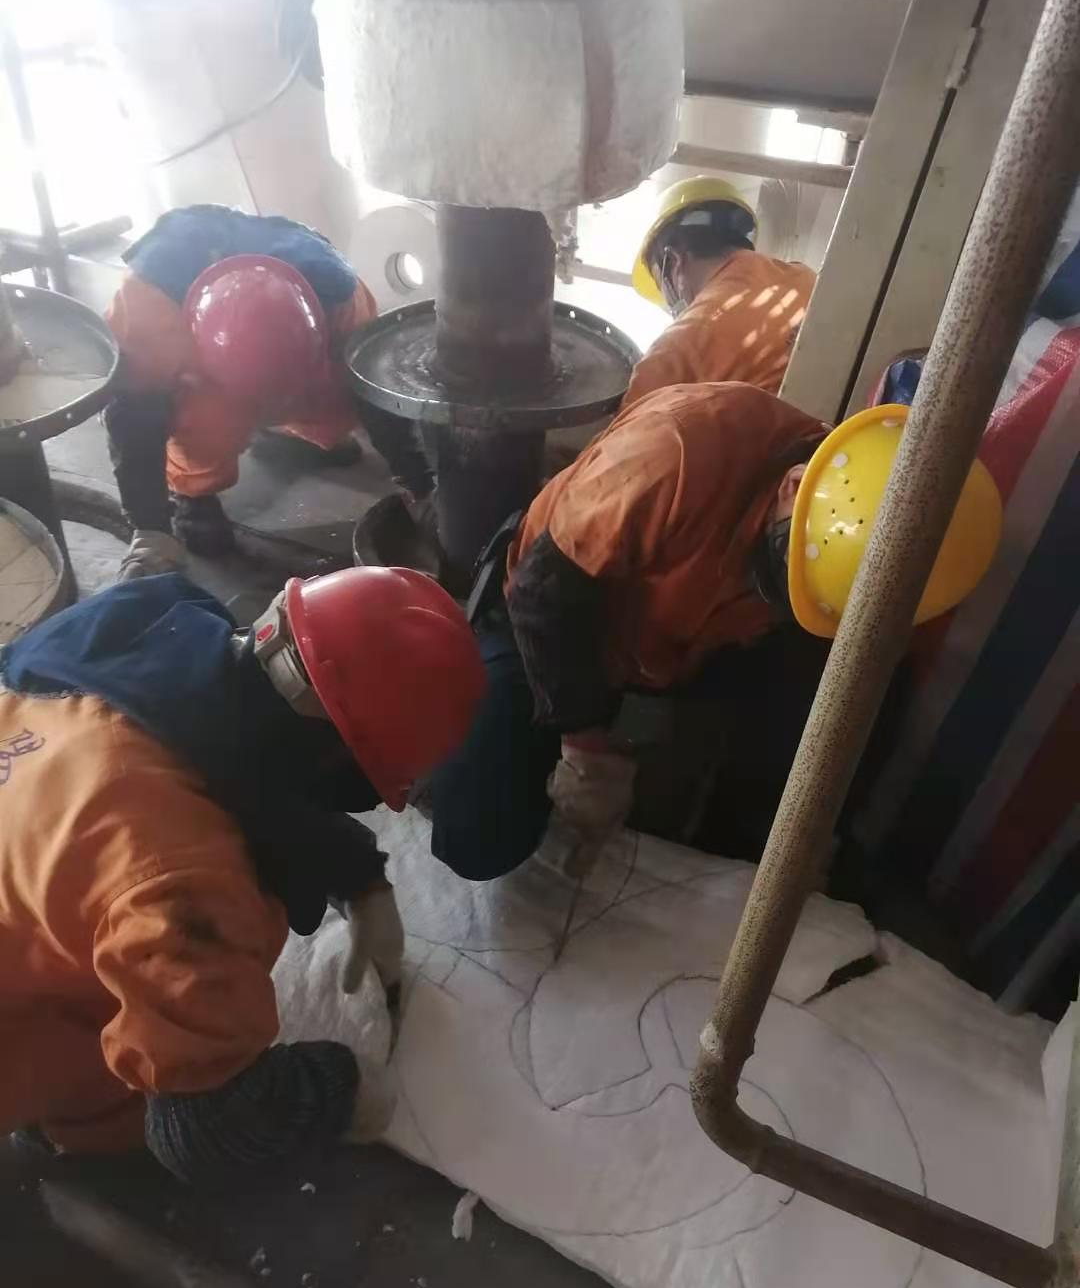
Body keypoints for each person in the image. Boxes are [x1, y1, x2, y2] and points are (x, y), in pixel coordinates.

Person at [0, 565, 485, 1182]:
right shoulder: (183, 886)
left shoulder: (127, 624)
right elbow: (206, 1127)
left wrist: (354, 871)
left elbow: (229, 754)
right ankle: (64, 1129)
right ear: (335, 762)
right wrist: (341, 1091)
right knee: (124, 1092)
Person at [428, 389, 1000, 883]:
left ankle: (756, 842)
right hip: (555, 624)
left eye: (805, 597)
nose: (785, 597)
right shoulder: (671, 453)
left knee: (819, 730)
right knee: (476, 839)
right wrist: (586, 747)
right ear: (794, 486)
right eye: (784, 572)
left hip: (691, 651)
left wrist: (812, 824)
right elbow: (541, 596)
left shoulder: (871, 562)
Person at [103, 204, 432, 580]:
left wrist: (418, 485)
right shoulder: (146, 314)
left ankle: (292, 432)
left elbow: (377, 392)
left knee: (347, 391)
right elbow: (131, 421)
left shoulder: (343, 297)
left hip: (300, 348)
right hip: (202, 370)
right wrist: (151, 530)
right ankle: (193, 494)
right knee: (204, 420)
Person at [622, 177, 816, 407]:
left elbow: (628, 428)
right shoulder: (807, 278)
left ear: (672, 260)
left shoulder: (675, 351)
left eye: (662, 286)